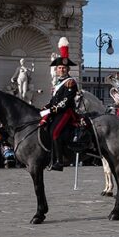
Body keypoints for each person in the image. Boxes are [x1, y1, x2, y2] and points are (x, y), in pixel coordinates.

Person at [39, 37, 79, 171]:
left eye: (63, 68)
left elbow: (67, 100)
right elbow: (53, 100)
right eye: (59, 68)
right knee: (47, 129)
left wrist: (54, 109)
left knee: (55, 132)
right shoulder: (57, 83)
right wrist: (46, 108)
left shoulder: (70, 82)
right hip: (57, 111)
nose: (61, 70)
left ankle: (60, 161)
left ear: (68, 69)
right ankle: (50, 157)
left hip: (66, 112)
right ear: (56, 70)